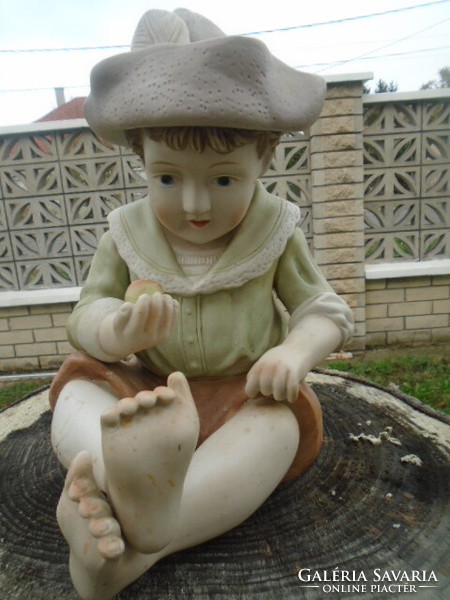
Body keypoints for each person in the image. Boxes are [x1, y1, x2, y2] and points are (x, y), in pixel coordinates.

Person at [49, 9, 354, 600]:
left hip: (244, 391)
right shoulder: (125, 233)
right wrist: (115, 332)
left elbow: (325, 307)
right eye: (167, 178)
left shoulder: (275, 230)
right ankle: (125, 474)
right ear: (140, 158)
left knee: (273, 431)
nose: (194, 203)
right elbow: (85, 314)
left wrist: (294, 352)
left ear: (262, 162)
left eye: (221, 181)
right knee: (80, 394)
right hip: (148, 387)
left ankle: (119, 556)